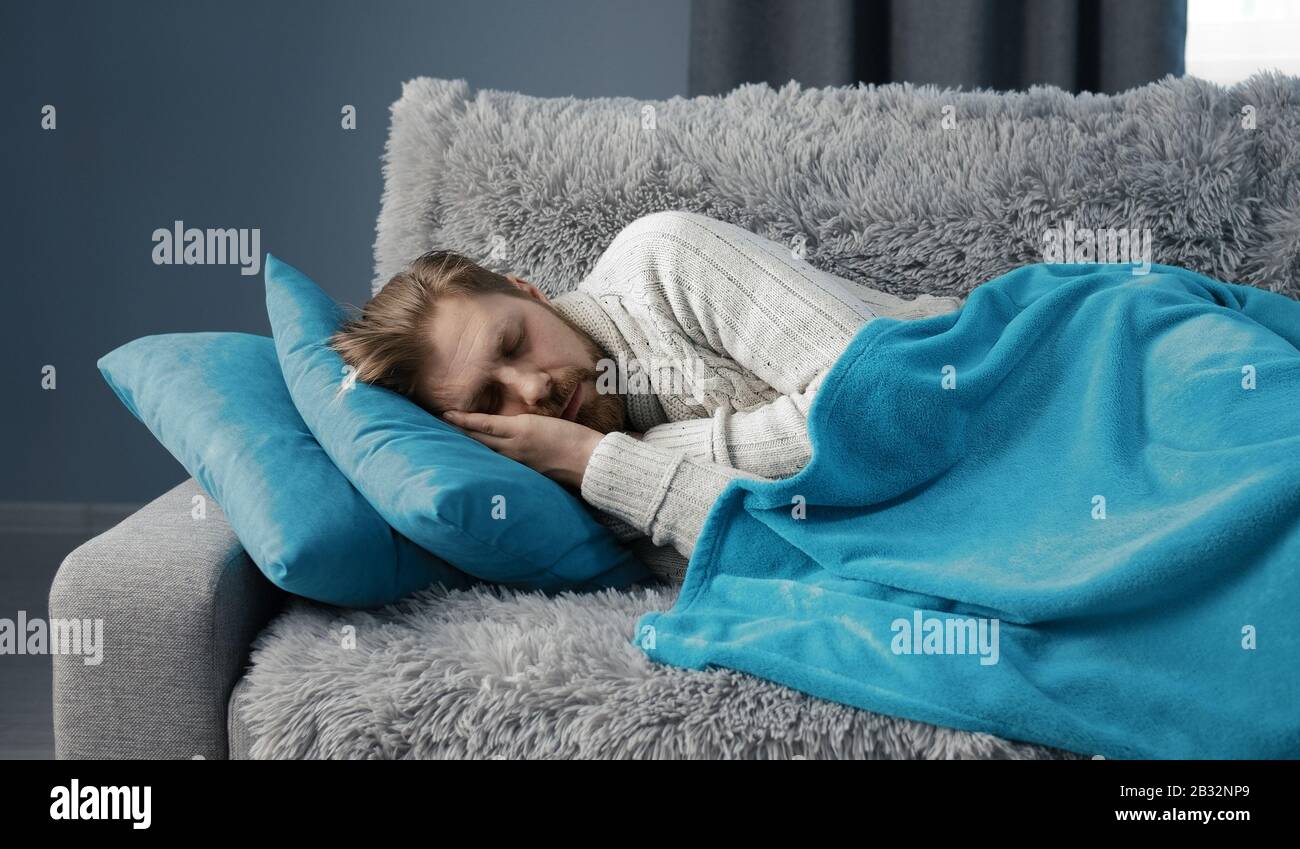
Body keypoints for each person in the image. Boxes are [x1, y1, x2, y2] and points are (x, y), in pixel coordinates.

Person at [332, 211, 964, 582]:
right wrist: (591, 469)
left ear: (529, 292)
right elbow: (777, 555)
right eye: (489, 400)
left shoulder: (664, 259)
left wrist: (610, 456)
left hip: (997, 372)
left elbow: (890, 401)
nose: (532, 389)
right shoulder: (548, 487)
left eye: (515, 341)